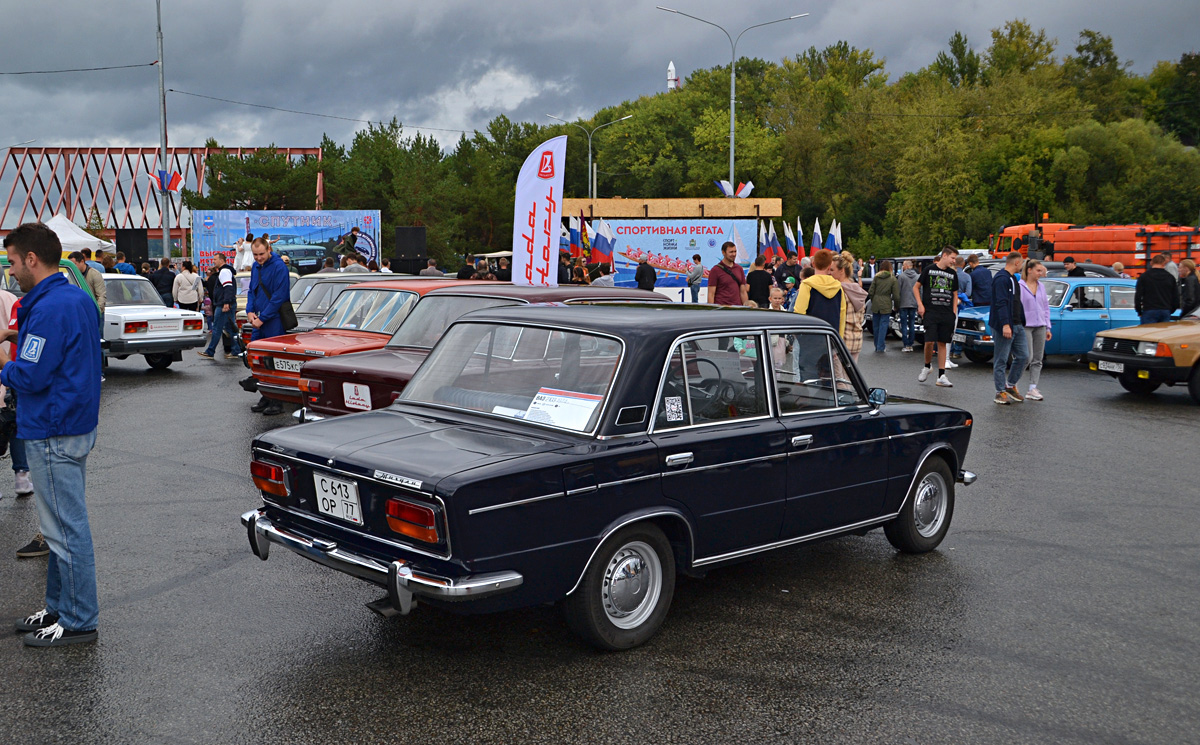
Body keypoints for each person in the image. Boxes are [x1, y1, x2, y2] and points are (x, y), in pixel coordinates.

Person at [1, 222, 103, 647]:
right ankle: (60, 607)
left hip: (52, 427)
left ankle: (78, 619)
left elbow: (32, 374)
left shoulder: (47, 308)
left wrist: (3, 367)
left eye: (13, 262)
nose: (11, 272)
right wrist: (17, 333)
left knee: (64, 529)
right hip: (72, 422)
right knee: (62, 525)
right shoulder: (72, 297)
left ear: (31, 258)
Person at [245, 238, 289, 415]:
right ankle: (265, 395)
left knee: (272, 361)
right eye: (255, 255)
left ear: (269, 249)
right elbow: (251, 291)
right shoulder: (256, 267)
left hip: (273, 321)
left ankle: (277, 401)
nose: (258, 258)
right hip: (258, 320)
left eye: (261, 254)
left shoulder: (279, 267)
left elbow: (279, 296)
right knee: (258, 360)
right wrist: (249, 311)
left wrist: (262, 319)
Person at [989, 251, 1030, 404]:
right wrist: (1005, 324)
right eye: (1022, 263)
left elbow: (1016, 302)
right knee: (1001, 359)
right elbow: (1000, 303)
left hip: (1017, 324)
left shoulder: (1013, 278)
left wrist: (1021, 321)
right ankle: (999, 392)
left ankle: (1010, 385)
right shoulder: (1001, 279)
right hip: (1004, 326)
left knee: (1024, 356)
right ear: (1016, 262)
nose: (1022, 266)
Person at [914, 246, 959, 387]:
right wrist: (920, 305)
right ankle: (927, 366)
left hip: (946, 313)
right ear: (944, 256)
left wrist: (953, 312)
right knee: (929, 341)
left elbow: (955, 294)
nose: (953, 261)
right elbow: (916, 287)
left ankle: (941, 375)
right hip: (931, 311)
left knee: (942, 343)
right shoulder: (929, 269)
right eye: (952, 258)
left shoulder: (953, 273)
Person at [198, 254, 241, 361]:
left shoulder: (224, 271)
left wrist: (226, 303)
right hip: (226, 302)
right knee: (231, 328)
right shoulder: (226, 271)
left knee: (217, 327)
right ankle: (237, 350)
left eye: (215, 259)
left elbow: (228, 288)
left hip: (223, 304)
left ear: (221, 260)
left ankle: (210, 351)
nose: (213, 261)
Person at [1020, 259, 1052, 402]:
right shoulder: (1020, 286)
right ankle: (1012, 384)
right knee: (1027, 356)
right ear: (1029, 270)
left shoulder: (1041, 287)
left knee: (1038, 359)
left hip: (1040, 325)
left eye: (1041, 271)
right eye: (1038, 271)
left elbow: (1045, 307)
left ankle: (1032, 387)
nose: (1040, 274)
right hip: (1025, 325)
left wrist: (1048, 326)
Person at [794, 249, 845, 335]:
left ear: (813, 264)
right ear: (829, 266)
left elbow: (799, 312)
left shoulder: (807, 285)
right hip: (831, 336)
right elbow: (842, 315)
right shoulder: (838, 287)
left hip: (811, 336)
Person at [833, 253, 867, 361]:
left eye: (832, 270)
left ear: (841, 270)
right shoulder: (857, 289)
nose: (829, 273)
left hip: (842, 341)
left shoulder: (839, 290)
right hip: (856, 339)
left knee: (839, 377)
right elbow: (861, 317)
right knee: (851, 376)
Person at [1134, 253, 1179, 324]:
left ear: (1151, 263)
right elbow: (1176, 296)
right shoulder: (1170, 277)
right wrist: (1171, 310)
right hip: (1165, 310)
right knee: (1162, 334)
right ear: (1164, 263)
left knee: (1147, 333)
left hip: (1149, 310)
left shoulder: (1144, 276)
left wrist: (1139, 310)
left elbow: (1138, 295)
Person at [867, 259, 898, 353]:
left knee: (875, 325)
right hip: (886, 303)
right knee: (883, 325)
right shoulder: (892, 278)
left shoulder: (876, 278)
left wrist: (873, 300)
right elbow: (896, 295)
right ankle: (881, 346)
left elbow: (870, 292)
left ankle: (877, 345)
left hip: (876, 303)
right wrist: (896, 306)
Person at [67, 252, 106, 324]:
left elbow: (101, 295)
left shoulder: (95, 274)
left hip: (94, 313)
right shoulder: (70, 276)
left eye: (74, 264)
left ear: (82, 261)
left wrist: (96, 312)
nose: (72, 267)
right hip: (79, 313)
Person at [706, 241, 746, 306]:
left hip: (737, 308)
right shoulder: (715, 270)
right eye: (731, 252)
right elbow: (711, 294)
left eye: (735, 251)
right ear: (723, 252)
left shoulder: (739, 269)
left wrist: (746, 309)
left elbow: (743, 292)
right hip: (722, 309)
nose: (734, 254)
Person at [896, 259, 920, 352]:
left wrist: (897, 304)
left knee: (904, 324)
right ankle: (911, 344)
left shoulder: (901, 276)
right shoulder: (917, 276)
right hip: (913, 303)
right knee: (912, 324)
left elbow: (898, 291)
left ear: (906, 266)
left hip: (903, 303)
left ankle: (906, 344)